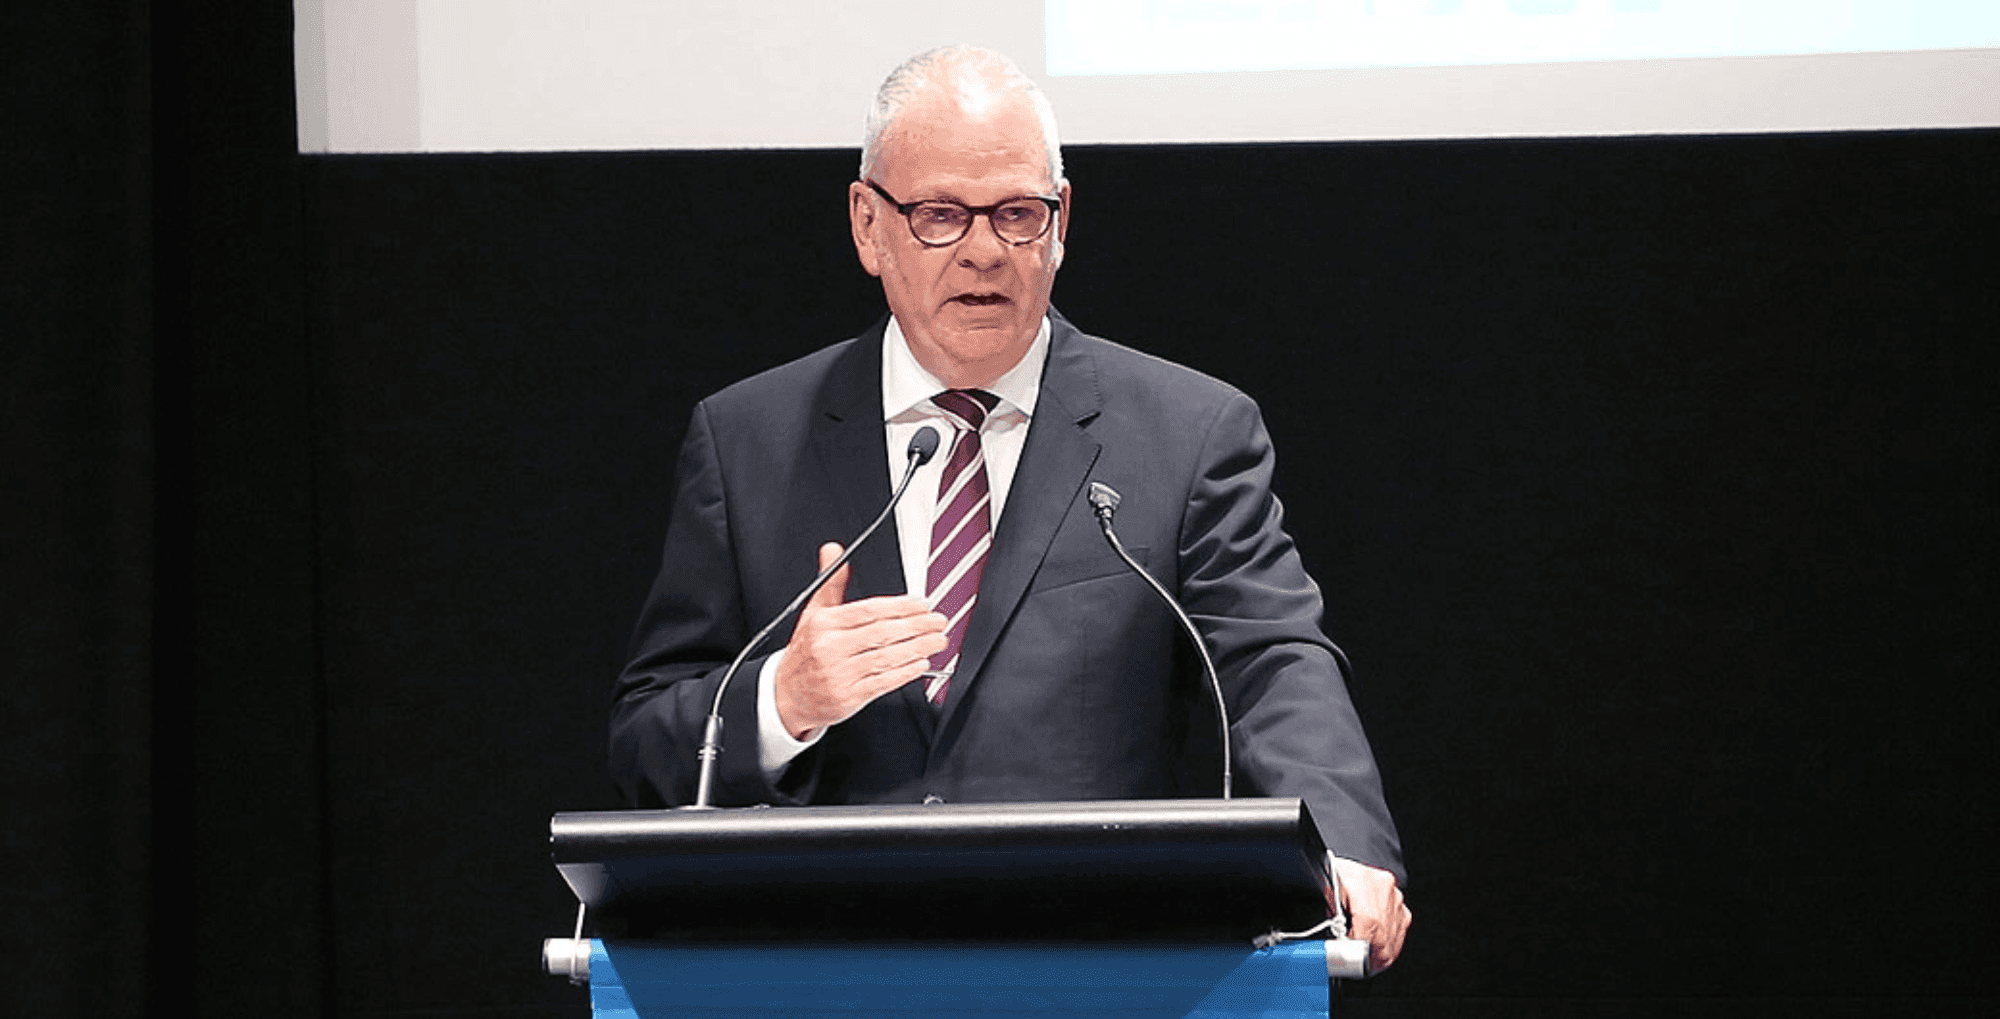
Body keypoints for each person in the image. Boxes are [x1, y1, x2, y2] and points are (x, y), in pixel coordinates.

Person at [609, 45, 1410, 970]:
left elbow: (1276, 662)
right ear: (870, 227)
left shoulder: (1188, 434)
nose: (986, 250)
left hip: (1103, 969)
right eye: (941, 215)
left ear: (1061, 222)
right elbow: (645, 739)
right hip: (825, 966)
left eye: (1017, 214)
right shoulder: (747, 439)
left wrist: (1340, 845)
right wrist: (779, 701)